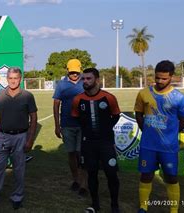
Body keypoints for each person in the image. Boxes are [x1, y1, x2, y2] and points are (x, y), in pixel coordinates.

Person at [135, 60, 184, 213]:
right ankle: (143, 207)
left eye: (164, 78)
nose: (159, 81)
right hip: (148, 145)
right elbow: (138, 114)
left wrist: (171, 133)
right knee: (146, 175)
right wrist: (145, 130)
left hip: (168, 147)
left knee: (171, 177)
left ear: (171, 77)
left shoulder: (179, 98)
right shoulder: (144, 93)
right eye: (157, 77)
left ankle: (173, 210)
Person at [0, 67, 38, 210]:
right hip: (3, 136)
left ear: (20, 79)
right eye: (10, 78)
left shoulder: (27, 96)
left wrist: (30, 139)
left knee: (19, 169)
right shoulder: (0, 96)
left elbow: (33, 117)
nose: (13, 81)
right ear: (6, 79)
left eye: (16, 78)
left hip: (21, 136)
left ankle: (17, 197)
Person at [71, 68, 120, 213]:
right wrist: (89, 130)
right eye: (83, 79)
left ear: (97, 80)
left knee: (111, 174)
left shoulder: (109, 98)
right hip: (88, 144)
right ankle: (95, 204)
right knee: (91, 173)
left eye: (89, 78)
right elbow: (76, 117)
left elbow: (116, 115)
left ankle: (114, 206)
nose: (85, 81)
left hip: (106, 143)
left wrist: (105, 129)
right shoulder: (78, 99)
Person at [52, 58, 88, 196]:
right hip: (67, 125)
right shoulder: (61, 85)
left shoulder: (85, 82)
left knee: (82, 154)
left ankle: (84, 184)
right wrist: (57, 125)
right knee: (71, 154)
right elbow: (56, 105)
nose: (74, 74)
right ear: (67, 70)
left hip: (83, 125)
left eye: (76, 72)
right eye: (72, 72)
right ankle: (76, 180)